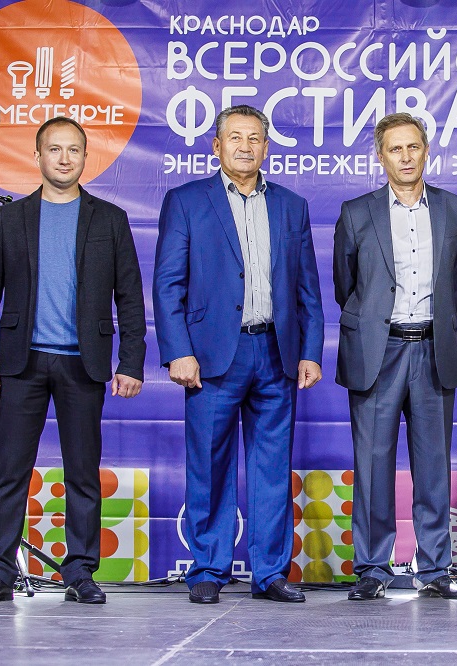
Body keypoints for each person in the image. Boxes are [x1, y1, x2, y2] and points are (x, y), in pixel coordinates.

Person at [0, 117, 146, 604]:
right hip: (21, 364)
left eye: (74, 150)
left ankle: (80, 571)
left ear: (85, 157)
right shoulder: (12, 218)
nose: (64, 158)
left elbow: (130, 298)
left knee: (82, 472)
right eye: (55, 149)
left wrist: (131, 362)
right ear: (38, 156)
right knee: (10, 471)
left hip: (83, 366)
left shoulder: (110, 219)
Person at [152, 105, 325, 605]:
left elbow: (307, 289)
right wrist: (178, 351)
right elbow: (167, 285)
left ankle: (270, 573)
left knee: (272, 468)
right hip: (210, 356)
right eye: (235, 137)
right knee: (209, 463)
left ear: (266, 147)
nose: (245, 146)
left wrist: (310, 351)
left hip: (275, 351)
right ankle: (208, 567)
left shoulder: (291, 205)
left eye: (254, 138)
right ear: (216, 146)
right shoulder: (186, 201)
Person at [333, 113, 457, 601]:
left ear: (426, 151)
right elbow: (347, 285)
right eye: (395, 149)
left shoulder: (455, 209)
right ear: (381, 157)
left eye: (413, 146)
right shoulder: (357, 212)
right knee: (373, 465)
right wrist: (378, 324)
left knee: (434, 466)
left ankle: (434, 569)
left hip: (434, 349)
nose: (406, 156)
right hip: (378, 350)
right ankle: (373, 568)